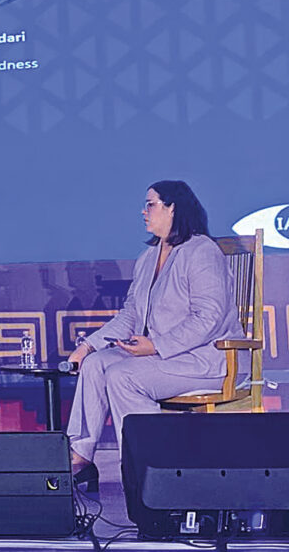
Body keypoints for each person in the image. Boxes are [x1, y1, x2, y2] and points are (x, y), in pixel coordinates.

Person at [65, 181, 243, 491]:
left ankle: (151, 465)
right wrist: (88, 346)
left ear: (173, 207)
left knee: (123, 376)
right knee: (96, 365)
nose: (143, 211)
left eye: (150, 204)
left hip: (203, 358)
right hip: (164, 356)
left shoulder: (201, 251)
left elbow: (209, 318)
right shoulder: (148, 256)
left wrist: (156, 345)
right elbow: (131, 314)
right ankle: (80, 457)